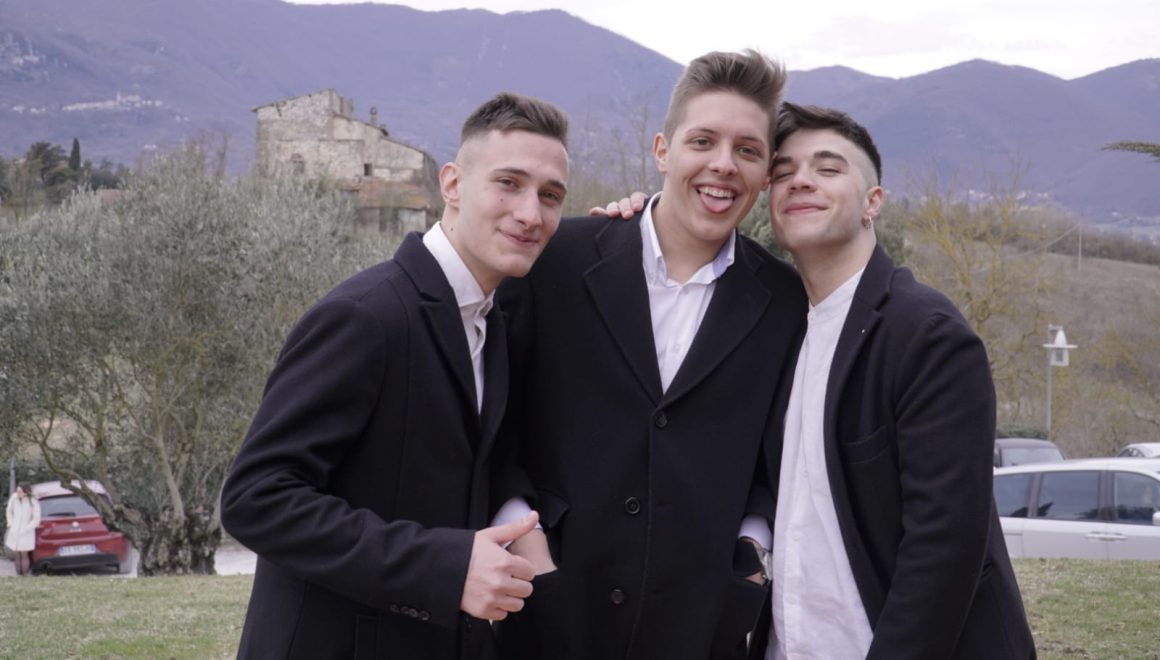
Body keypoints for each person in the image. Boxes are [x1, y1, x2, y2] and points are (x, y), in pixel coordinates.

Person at [604, 103, 1037, 658]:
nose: (801, 180)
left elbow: (945, 546)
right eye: (783, 172)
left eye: (828, 169)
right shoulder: (778, 325)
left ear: (872, 202)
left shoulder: (925, 335)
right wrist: (635, 225)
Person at [220, 91, 571, 659]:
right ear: (452, 184)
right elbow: (256, 498)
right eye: (509, 183)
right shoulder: (365, 316)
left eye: (550, 195)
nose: (531, 214)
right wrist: (446, 568)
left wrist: (521, 526)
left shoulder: (493, 324)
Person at [491, 50, 807, 660]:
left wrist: (751, 557)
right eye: (703, 141)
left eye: (747, 149)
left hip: (700, 628)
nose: (723, 164)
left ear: (766, 172)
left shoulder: (787, 302)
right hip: (545, 613)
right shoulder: (556, 261)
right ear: (663, 150)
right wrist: (525, 540)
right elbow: (494, 418)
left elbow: (779, 462)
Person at [5, 484, 40, 576]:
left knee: (24, 554)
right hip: (14, 530)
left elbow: (36, 518)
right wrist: (10, 524)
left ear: (25, 492)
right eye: (17, 491)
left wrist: (27, 528)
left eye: (19, 491)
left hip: (26, 532)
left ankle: (24, 575)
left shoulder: (32, 501)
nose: (17, 493)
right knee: (16, 553)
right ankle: (18, 575)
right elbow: (9, 511)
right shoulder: (14, 498)